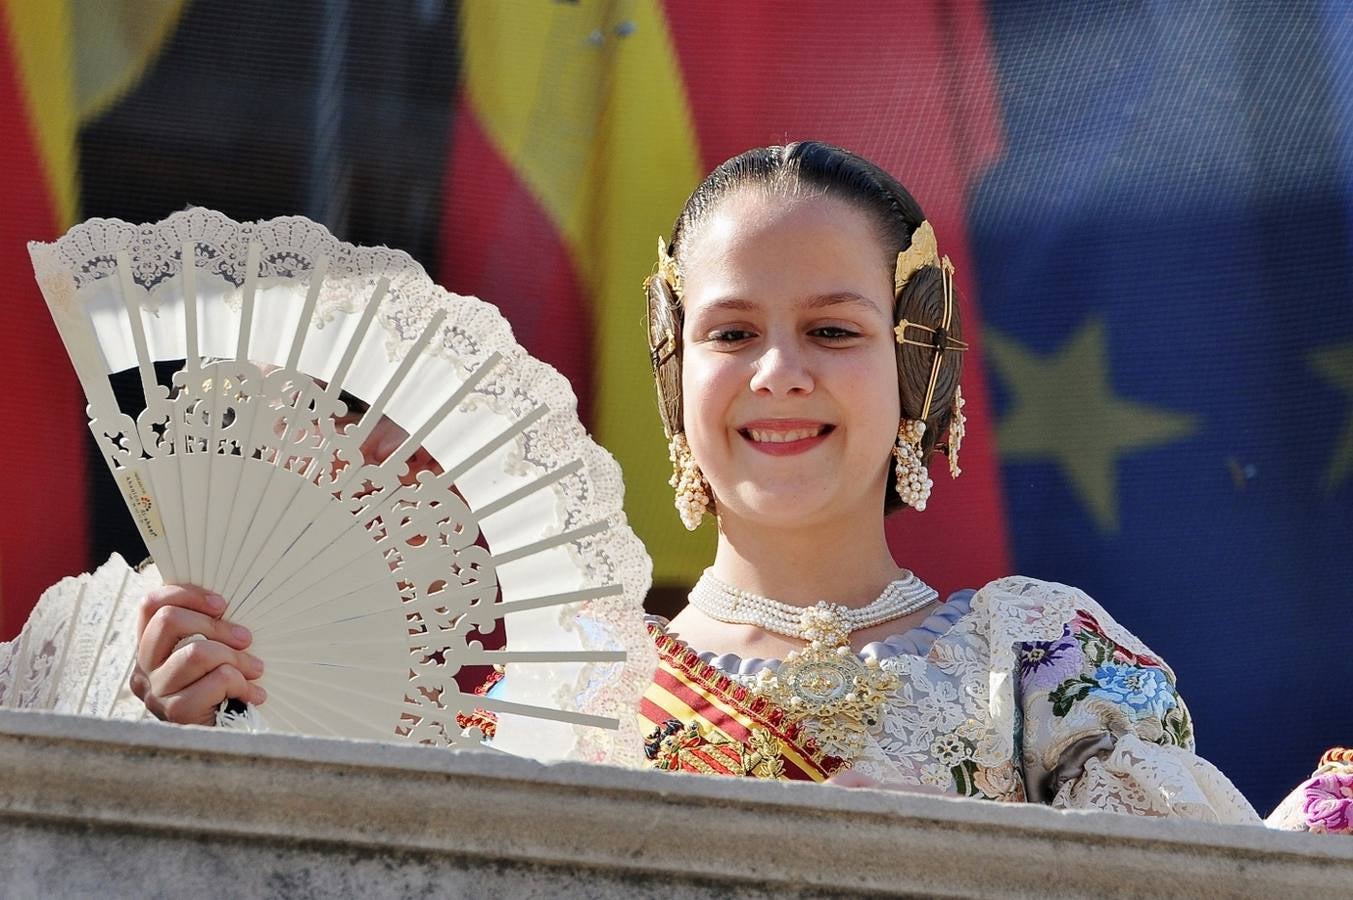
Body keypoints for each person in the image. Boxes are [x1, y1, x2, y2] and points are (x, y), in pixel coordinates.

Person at [635, 140, 1264, 822]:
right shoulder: (580, 690)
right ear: (672, 362)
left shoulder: (1039, 660)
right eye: (730, 334)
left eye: (831, 330)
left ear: (919, 360)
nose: (778, 372)